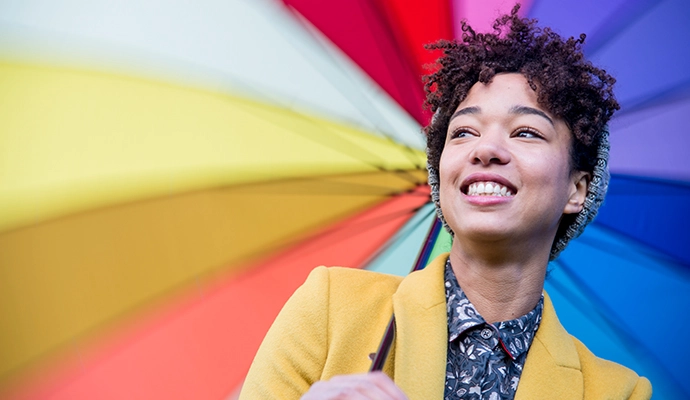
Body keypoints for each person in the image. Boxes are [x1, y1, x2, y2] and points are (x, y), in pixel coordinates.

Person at [239, 6, 652, 399]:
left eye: (525, 132)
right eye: (464, 132)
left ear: (577, 189)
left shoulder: (617, 392)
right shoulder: (330, 310)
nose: (486, 149)